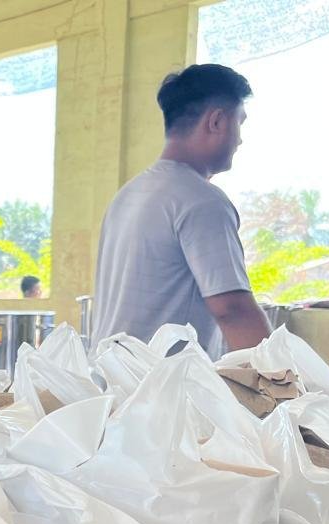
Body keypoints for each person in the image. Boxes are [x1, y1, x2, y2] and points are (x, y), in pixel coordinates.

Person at [92, 64, 270, 358]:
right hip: (161, 383)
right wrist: (281, 378)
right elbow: (232, 310)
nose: (240, 139)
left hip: (109, 377)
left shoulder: (127, 195)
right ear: (217, 121)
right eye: (240, 123)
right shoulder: (202, 200)